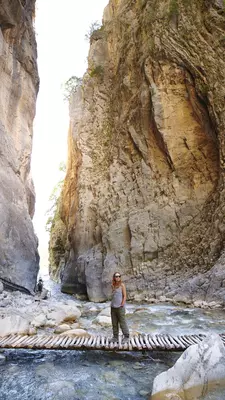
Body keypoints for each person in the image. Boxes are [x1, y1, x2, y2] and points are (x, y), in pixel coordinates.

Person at [110, 272, 129, 343]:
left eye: (119, 276)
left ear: (120, 277)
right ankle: (115, 337)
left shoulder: (122, 285)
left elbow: (124, 296)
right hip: (113, 307)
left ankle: (126, 336)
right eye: (116, 276)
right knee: (114, 323)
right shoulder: (112, 285)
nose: (117, 277)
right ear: (114, 277)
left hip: (120, 307)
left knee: (122, 322)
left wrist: (122, 304)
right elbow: (113, 296)